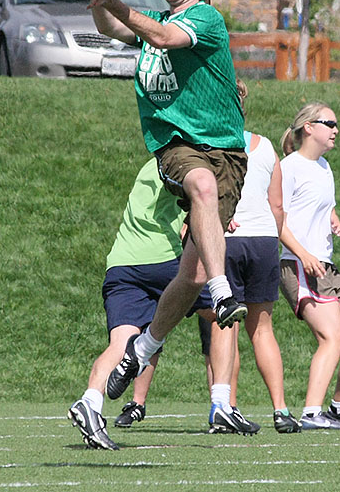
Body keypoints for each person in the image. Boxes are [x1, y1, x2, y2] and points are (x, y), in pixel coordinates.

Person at [73, 0, 248, 402]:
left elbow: (164, 37)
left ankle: (143, 347)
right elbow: (113, 27)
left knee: (188, 276)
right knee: (201, 185)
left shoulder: (205, 19)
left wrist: (117, 2)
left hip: (227, 151)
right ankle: (223, 289)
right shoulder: (158, 22)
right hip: (179, 147)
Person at [113, 119, 301, 435]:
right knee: (260, 328)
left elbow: (197, 200)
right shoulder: (265, 146)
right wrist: (273, 237)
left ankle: (222, 405)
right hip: (265, 239)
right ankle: (278, 410)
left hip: (225, 237)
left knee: (222, 321)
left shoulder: (201, 144)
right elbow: (277, 206)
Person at [68, 158, 226, 450]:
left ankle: (90, 402)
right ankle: (223, 403)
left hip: (120, 264)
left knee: (120, 344)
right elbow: (200, 206)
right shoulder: (182, 166)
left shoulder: (149, 166)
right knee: (223, 314)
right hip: (160, 258)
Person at [278, 103, 340, 431]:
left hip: (327, 266)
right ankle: (310, 414)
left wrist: (334, 220)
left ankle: (339, 408)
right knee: (333, 338)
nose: (335, 129)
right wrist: (303, 253)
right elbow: (276, 219)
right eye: (329, 123)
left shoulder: (323, 166)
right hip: (298, 264)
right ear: (308, 127)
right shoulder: (289, 167)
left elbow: (323, 203)